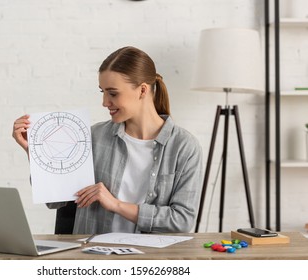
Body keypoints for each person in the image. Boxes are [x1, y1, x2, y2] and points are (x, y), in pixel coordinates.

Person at [12, 46, 203, 234]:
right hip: (92, 255)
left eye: (113, 93)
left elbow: (182, 220)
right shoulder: (92, 137)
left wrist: (116, 205)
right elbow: (55, 201)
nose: (104, 102)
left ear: (142, 91)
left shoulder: (184, 147)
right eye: (102, 92)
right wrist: (35, 152)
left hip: (149, 259)